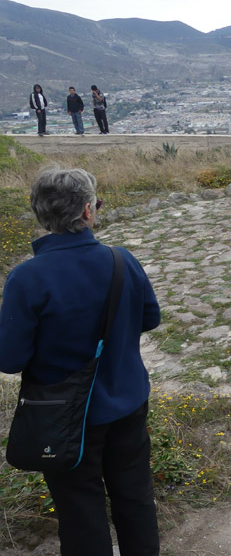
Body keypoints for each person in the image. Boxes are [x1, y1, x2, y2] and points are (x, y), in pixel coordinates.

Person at [0, 168, 161, 556]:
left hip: (63, 417)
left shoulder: (26, 278)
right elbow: (150, 319)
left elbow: (9, 359)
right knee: (135, 495)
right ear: (88, 211)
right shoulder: (122, 261)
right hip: (126, 401)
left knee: (79, 509)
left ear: (41, 215)